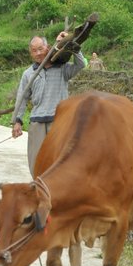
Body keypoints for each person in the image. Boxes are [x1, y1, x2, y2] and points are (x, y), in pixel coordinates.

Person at [12, 32, 86, 178]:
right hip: (37, 122)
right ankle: (38, 191)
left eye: (41, 48)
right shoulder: (28, 74)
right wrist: (17, 121)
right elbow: (22, 97)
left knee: (61, 159)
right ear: (30, 53)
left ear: (48, 47)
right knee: (36, 161)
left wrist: (74, 47)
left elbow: (81, 64)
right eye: (34, 50)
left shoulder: (62, 69)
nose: (38, 53)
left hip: (58, 122)